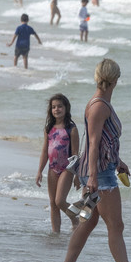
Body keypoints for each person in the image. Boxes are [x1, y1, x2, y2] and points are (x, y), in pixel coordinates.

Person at [57, 59, 131, 262]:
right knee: (116, 225)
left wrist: (118, 161)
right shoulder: (99, 106)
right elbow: (93, 142)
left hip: (101, 170)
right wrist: (92, 176)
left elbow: (102, 143)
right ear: (116, 79)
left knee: (87, 222)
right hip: (100, 175)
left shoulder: (100, 104)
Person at [37, 93, 81, 233]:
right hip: (52, 169)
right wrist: (39, 171)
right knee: (53, 204)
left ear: (66, 108)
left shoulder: (72, 129)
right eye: (53, 107)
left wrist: (77, 175)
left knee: (60, 201)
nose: (57, 109)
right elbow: (45, 151)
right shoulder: (49, 128)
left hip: (66, 169)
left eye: (60, 106)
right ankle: (55, 234)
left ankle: (75, 218)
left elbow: (75, 155)